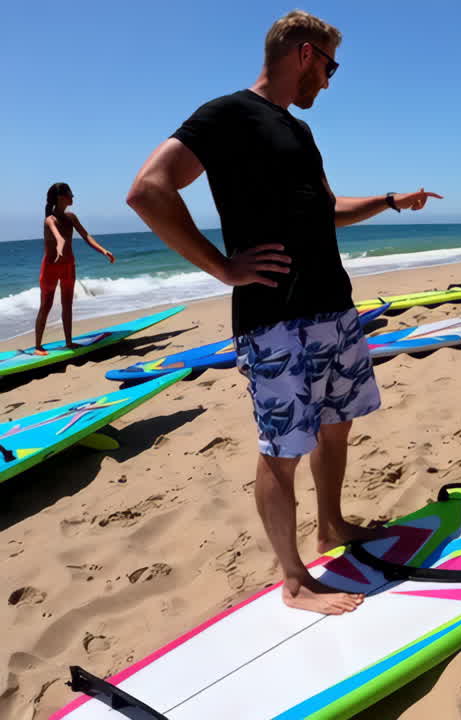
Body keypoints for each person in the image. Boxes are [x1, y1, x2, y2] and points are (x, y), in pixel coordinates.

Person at [125, 10, 441, 615]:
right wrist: (222, 267)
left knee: (338, 423)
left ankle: (331, 528)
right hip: (275, 317)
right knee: (283, 446)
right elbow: (149, 189)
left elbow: (326, 209)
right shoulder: (226, 114)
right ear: (303, 54)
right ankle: (294, 580)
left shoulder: (298, 131)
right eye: (328, 66)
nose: (329, 79)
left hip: (332, 304)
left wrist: (389, 200)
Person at [33, 183, 114, 354]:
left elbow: (86, 236)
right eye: (70, 193)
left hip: (68, 266)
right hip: (50, 267)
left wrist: (103, 250)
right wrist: (60, 244)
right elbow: (57, 235)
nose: (73, 196)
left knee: (67, 305)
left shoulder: (71, 217)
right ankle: (38, 346)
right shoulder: (50, 219)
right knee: (45, 306)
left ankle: (69, 342)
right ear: (61, 197)